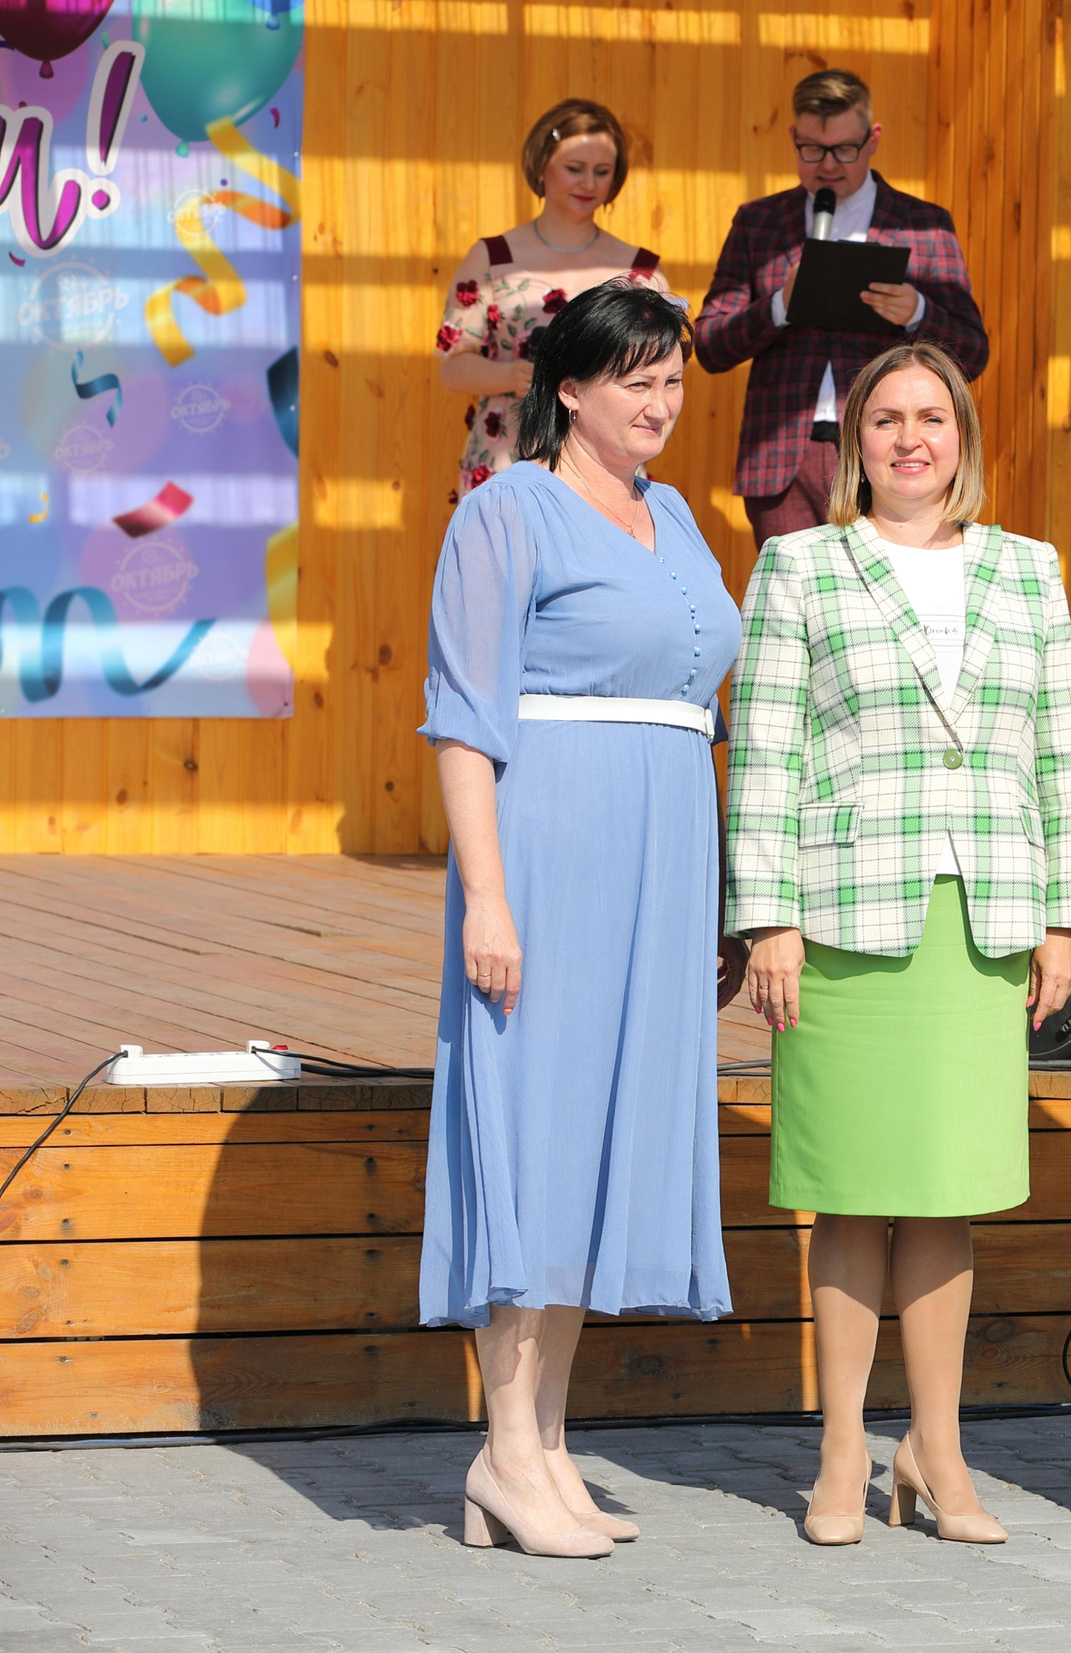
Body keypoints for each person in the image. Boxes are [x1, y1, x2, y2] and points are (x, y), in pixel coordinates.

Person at [727, 343, 1071, 1549]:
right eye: (884, 419)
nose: (908, 439)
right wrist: (765, 915)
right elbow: (766, 749)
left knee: (945, 1197)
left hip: (980, 919)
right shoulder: (799, 566)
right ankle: (840, 1454)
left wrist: (1063, 913)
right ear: (852, 443)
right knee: (848, 1192)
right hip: (841, 917)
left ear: (963, 437)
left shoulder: (1026, 569)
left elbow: (1058, 752)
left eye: (930, 418)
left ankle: (936, 1452)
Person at [419, 281, 742, 1558]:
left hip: (661, 859)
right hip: (549, 848)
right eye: (634, 382)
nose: (659, 403)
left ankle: (547, 1443)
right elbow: (462, 712)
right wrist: (487, 894)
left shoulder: (677, 519)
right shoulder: (508, 510)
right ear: (570, 388)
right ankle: (503, 1449)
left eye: (671, 381)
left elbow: (700, 698)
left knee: (602, 1144)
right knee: (533, 1134)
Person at [696, 68, 990, 548]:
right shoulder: (760, 222)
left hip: (889, 449)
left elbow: (973, 353)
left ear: (872, 139)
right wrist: (778, 306)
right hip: (783, 459)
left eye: (844, 149)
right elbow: (708, 344)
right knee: (791, 607)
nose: (828, 165)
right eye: (811, 149)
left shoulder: (924, 224)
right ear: (793, 137)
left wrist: (918, 312)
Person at [436, 99, 675, 499]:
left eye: (602, 172)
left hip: (609, 460)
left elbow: (666, 375)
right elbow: (452, 366)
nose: (588, 183)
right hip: (506, 453)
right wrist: (512, 376)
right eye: (574, 169)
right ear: (542, 164)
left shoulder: (642, 271)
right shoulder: (492, 257)